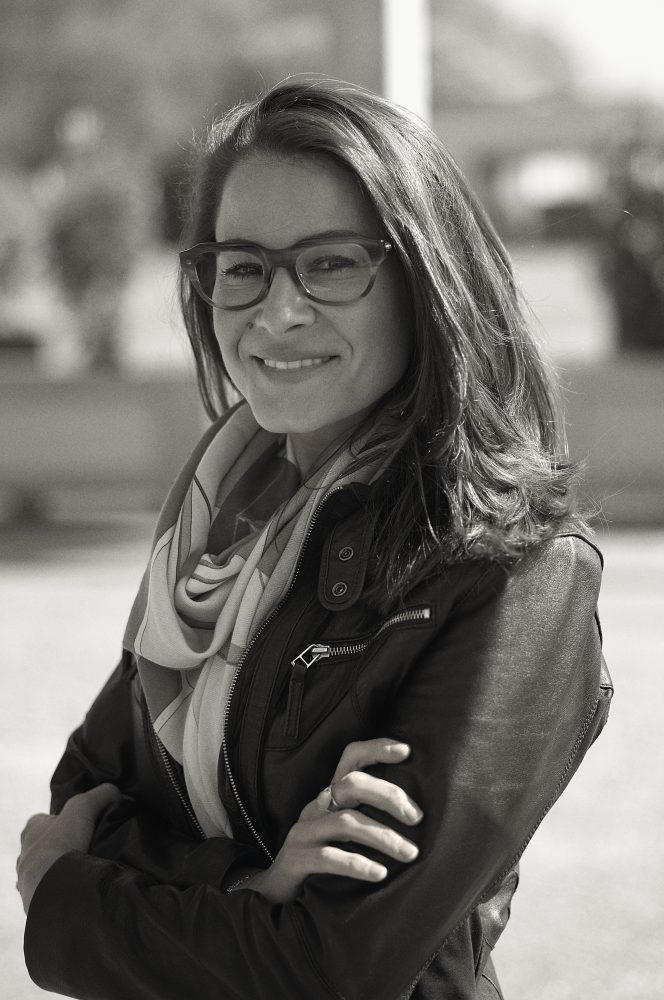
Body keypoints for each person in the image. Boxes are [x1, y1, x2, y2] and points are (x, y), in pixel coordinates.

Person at [18, 78, 612, 999]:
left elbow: (335, 967)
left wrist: (78, 902)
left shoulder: (514, 574)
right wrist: (249, 887)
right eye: (242, 266)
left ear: (427, 284)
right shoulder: (213, 533)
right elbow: (83, 797)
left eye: (331, 264)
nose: (276, 312)